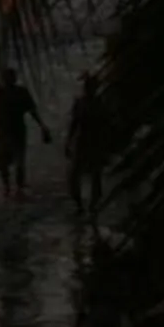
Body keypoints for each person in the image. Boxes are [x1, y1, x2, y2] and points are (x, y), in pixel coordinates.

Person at [0, 67, 51, 199]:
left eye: (11, 77)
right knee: (3, 164)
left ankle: (18, 188)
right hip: (3, 133)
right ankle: (7, 188)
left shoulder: (21, 93)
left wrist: (42, 126)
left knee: (19, 162)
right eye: (7, 77)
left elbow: (32, 111)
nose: (9, 80)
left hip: (17, 132)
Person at [63, 70, 108, 218]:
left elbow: (107, 125)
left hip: (95, 143)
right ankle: (80, 206)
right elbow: (74, 124)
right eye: (86, 86)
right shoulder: (80, 103)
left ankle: (92, 207)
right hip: (82, 143)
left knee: (95, 177)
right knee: (74, 178)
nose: (87, 89)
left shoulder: (101, 103)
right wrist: (68, 142)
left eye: (90, 86)